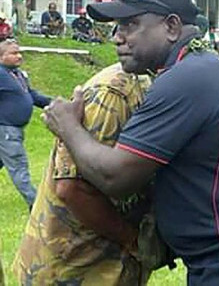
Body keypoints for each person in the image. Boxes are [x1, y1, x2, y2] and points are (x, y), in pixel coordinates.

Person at [41, 0, 219, 285]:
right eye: (116, 27)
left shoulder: (188, 78)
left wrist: (67, 125)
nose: (117, 37)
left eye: (130, 25)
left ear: (172, 26)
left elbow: (116, 177)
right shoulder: (195, 67)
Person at [13, 63, 156, 285]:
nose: (119, 37)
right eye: (125, 26)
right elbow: (73, 189)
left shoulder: (152, 81)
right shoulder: (113, 92)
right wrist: (134, 241)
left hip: (107, 261)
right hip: (76, 266)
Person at [0, 39, 50, 208]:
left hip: (14, 130)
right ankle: (36, 204)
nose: (19, 56)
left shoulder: (18, 75)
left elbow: (32, 96)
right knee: (19, 167)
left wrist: (56, 102)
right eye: (13, 53)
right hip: (7, 130)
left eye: (19, 52)